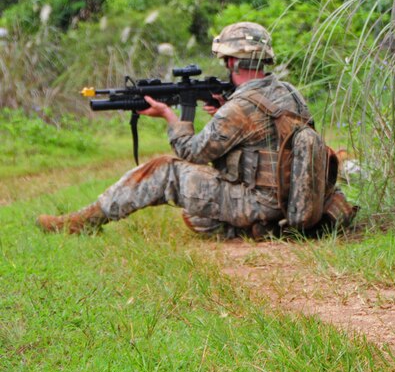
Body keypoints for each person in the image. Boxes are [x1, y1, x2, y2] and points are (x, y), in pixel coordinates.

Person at [37, 22, 357, 238]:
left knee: (165, 172)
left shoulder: (238, 108)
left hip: (262, 202)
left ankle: (83, 223)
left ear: (232, 62)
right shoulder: (288, 91)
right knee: (198, 219)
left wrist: (170, 118)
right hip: (288, 198)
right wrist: (223, 113)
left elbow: (192, 152)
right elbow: (272, 139)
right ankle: (258, 228)